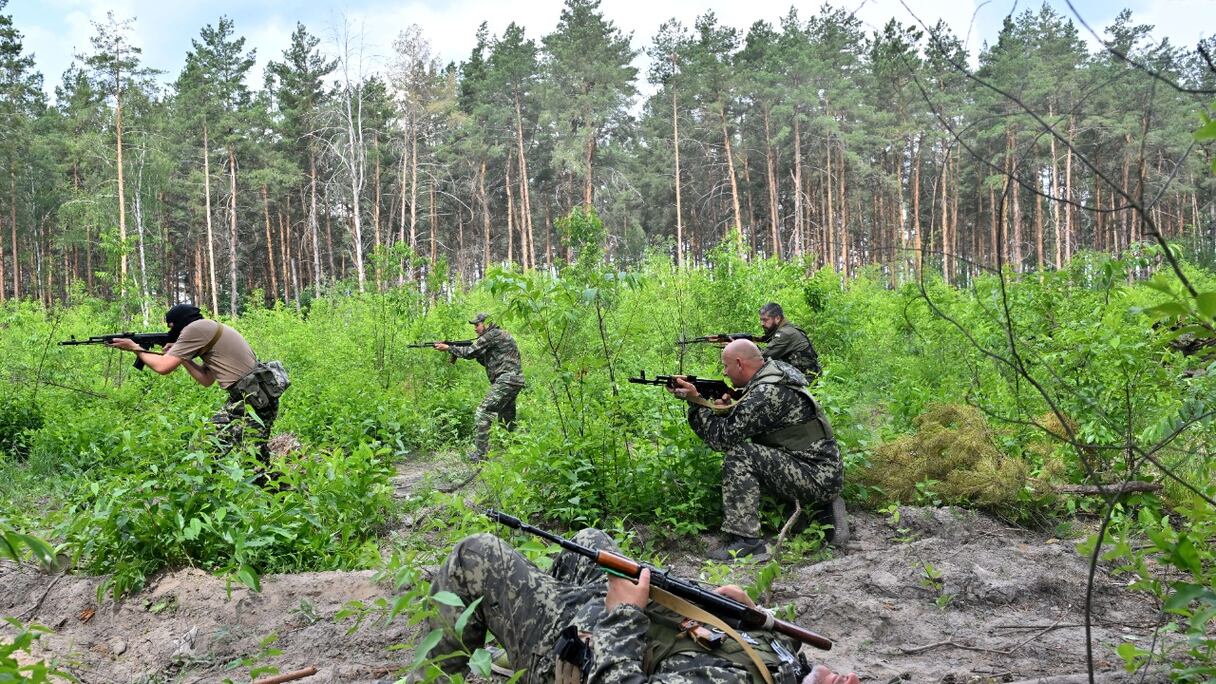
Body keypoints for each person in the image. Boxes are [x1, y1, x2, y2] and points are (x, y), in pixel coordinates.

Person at [422, 528, 860, 684]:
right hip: (613, 617)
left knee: (474, 553)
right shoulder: (791, 668)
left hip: (589, 649)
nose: (853, 679)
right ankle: (516, 634)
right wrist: (751, 617)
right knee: (590, 543)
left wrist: (625, 614)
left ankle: (524, 656)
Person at [669, 340, 846, 560]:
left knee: (741, 454)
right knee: (752, 451)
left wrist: (696, 403)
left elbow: (721, 440)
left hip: (817, 477)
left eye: (726, 366)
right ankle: (815, 513)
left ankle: (747, 542)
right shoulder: (774, 375)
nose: (724, 373)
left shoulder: (766, 393)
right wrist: (723, 409)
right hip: (816, 469)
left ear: (740, 364)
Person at [106, 304, 287, 469]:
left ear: (181, 323)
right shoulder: (208, 329)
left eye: (171, 326)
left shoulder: (195, 329)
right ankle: (274, 495)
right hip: (256, 395)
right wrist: (182, 356)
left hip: (251, 398)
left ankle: (203, 494)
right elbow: (206, 379)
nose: (171, 332)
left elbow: (163, 367)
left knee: (205, 445)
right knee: (253, 458)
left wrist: (135, 348)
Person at [434, 313, 526, 462]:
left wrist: (449, 348)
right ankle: (512, 453)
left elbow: (470, 352)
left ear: (487, 323)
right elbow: (488, 361)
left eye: (477, 325)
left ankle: (480, 456)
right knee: (506, 417)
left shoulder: (492, 335)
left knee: (483, 412)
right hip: (515, 380)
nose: (475, 329)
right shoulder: (500, 335)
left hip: (506, 380)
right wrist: (458, 349)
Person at [757, 303, 820, 380]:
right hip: (803, 374)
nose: (762, 324)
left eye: (765, 320)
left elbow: (762, 357)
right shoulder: (786, 328)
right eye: (761, 320)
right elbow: (766, 339)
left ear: (777, 318)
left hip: (806, 378)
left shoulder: (785, 333)